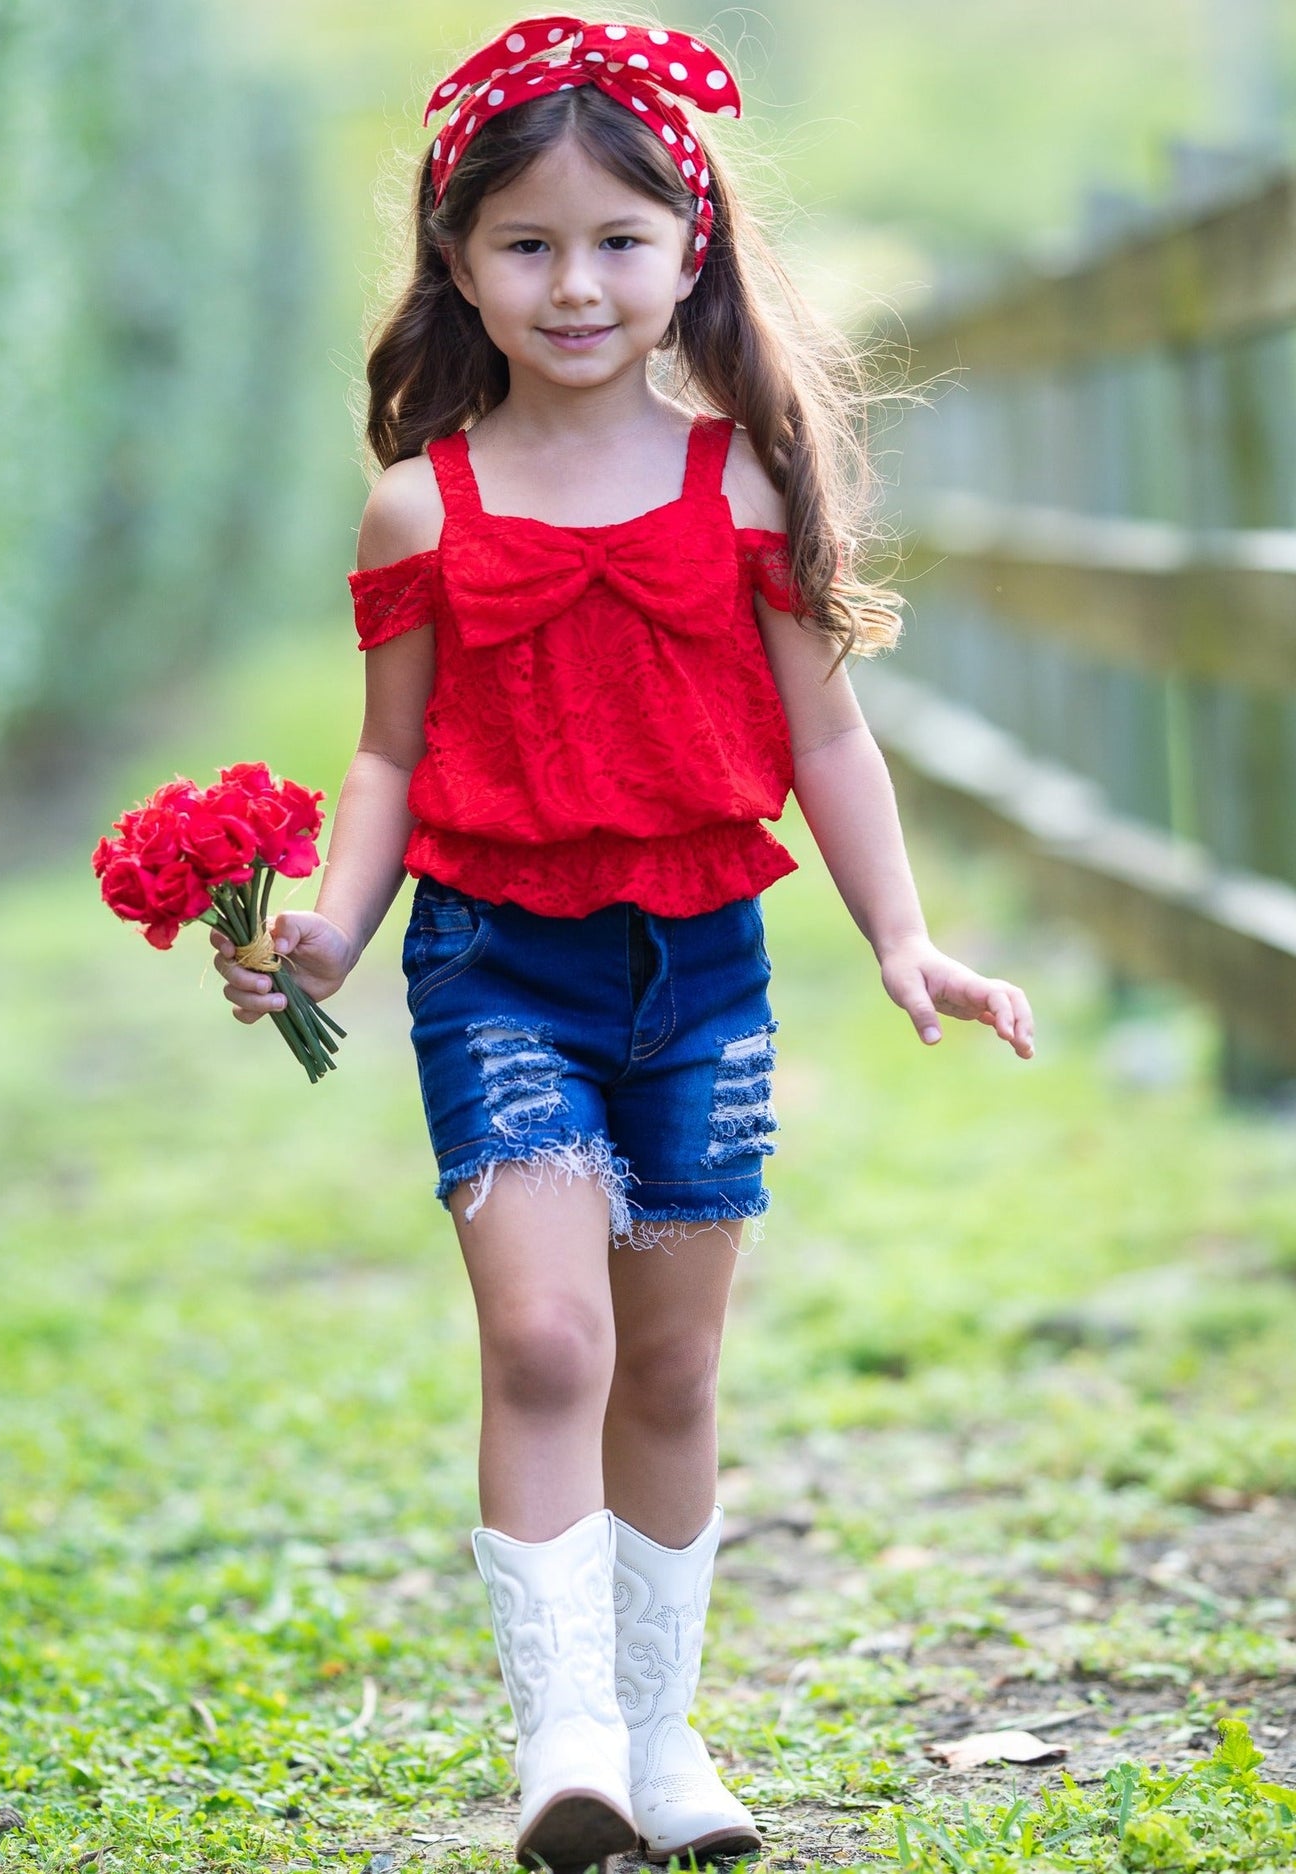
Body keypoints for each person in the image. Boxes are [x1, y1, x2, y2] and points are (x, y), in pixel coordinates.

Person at [212, 15, 1034, 1870]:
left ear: (691, 250)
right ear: (456, 260)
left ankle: (663, 1742)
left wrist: (908, 943)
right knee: (550, 1337)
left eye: (614, 240)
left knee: (670, 1367)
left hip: (704, 975)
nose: (572, 282)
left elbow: (827, 736)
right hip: (498, 963)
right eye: (524, 243)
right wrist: (329, 932)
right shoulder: (425, 500)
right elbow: (389, 753)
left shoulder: (746, 482)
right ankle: (563, 1740)